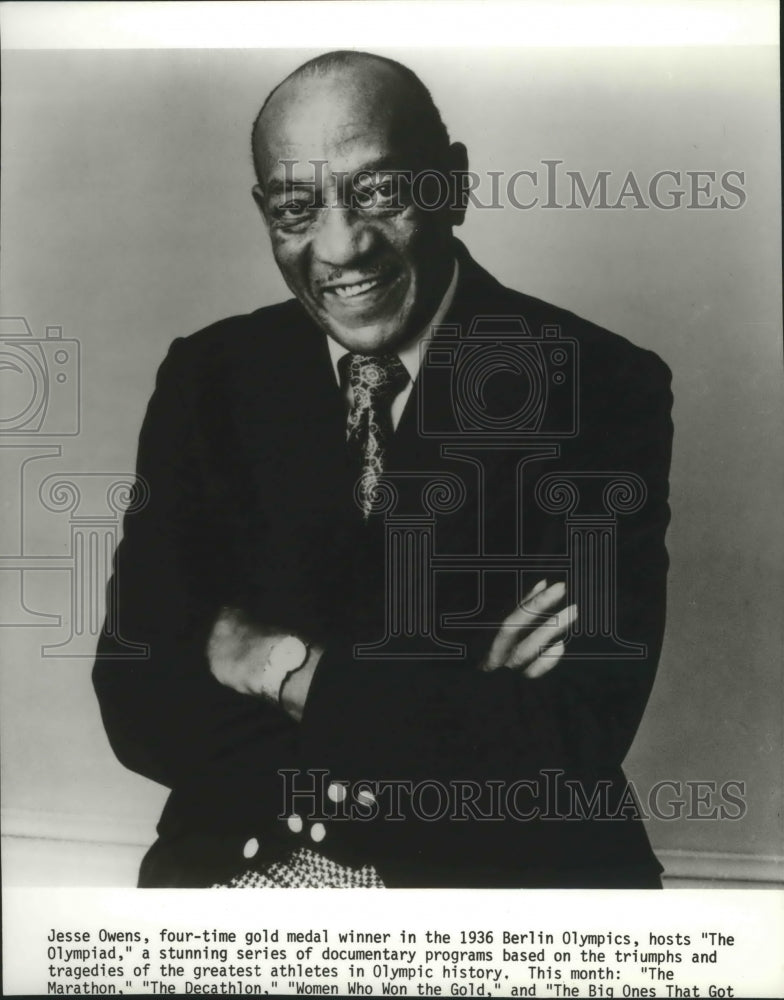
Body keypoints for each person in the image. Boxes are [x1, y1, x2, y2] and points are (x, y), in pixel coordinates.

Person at [93, 50, 673, 888]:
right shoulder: (208, 376)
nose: (342, 247)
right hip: (233, 871)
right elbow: (139, 698)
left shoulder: (597, 382)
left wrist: (277, 664)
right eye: (297, 207)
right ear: (265, 211)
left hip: (499, 887)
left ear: (455, 184)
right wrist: (450, 700)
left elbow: (568, 734)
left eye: (381, 191)